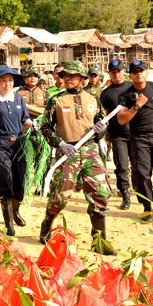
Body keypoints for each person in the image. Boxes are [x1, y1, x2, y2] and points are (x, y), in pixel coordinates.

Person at [39, 61, 115, 255]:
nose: (67, 78)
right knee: (60, 197)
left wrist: (101, 129)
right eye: (65, 75)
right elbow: (45, 127)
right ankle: (47, 223)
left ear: (82, 77)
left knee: (100, 195)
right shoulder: (55, 100)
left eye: (72, 75)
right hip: (68, 152)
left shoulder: (94, 99)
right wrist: (60, 144)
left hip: (90, 151)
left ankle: (99, 241)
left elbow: (100, 123)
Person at [117, 59, 153, 221]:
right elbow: (121, 119)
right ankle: (147, 207)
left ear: (146, 72)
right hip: (139, 138)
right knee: (142, 174)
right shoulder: (126, 95)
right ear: (131, 75)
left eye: (141, 70)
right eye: (135, 71)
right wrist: (137, 105)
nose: (139, 73)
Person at [0, 65, 32, 236]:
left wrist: (35, 124)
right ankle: (8, 222)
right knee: (5, 181)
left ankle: (16, 211)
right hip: (0, 145)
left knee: (20, 182)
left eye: (10, 80)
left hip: (19, 144)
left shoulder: (19, 100)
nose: (7, 84)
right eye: (3, 80)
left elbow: (25, 120)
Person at [100, 59, 133, 210]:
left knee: (139, 166)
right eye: (113, 72)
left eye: (119, 71)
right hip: (118, 134)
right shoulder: (106, 93)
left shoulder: (134, 87)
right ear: (109, 74)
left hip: (136, 133)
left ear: (124, 71)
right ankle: (125, 194)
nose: (116, 74)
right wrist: (105, 136)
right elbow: (106, 116)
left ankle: (139, 189)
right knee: (121, 166)